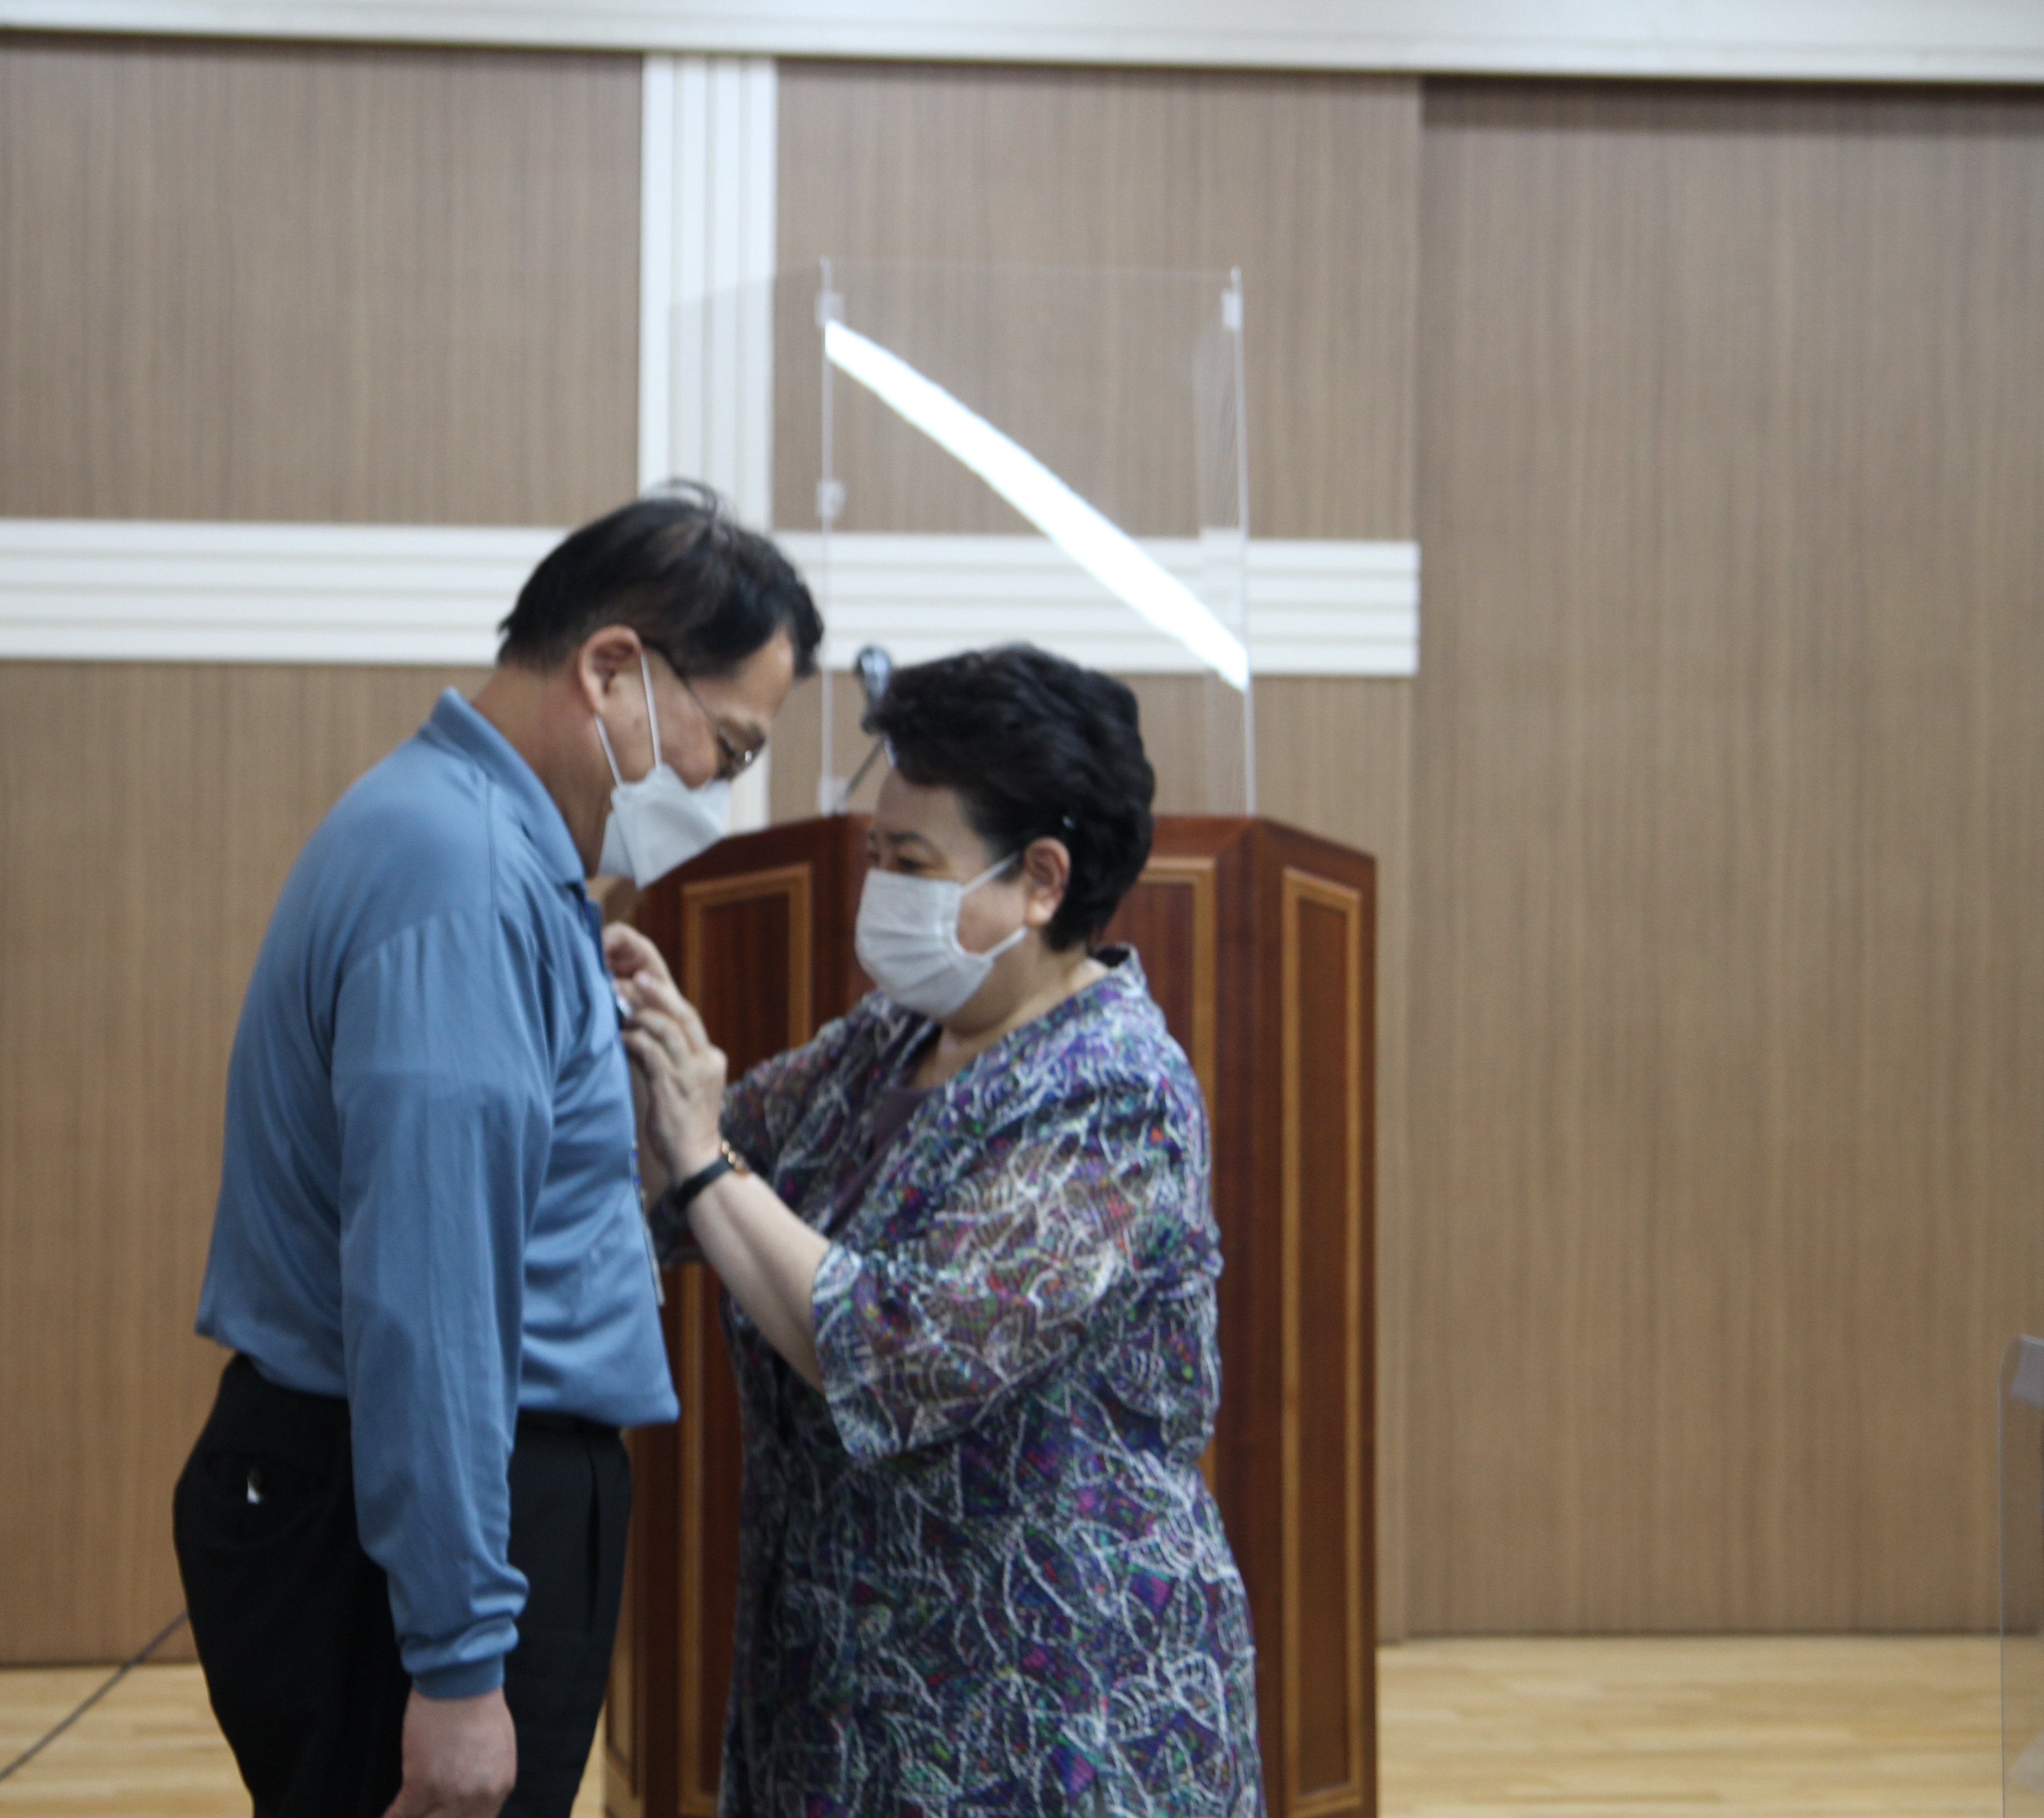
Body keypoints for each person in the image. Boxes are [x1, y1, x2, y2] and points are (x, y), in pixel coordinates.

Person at [175, 485, 823, 1818]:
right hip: (417, 1525)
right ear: (612, 670)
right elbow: (434, 1303)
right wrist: (460, 1664)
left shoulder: (491, 857)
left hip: (432, 1500)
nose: (719, 793)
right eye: (729, 749)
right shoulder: (464, 879)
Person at [609, 643, 1263, 1817]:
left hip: (1053, 1708)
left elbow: (900, 1350)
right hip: (844, 1688)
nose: (881, 890)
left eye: (912, 864)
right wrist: (655, 1059)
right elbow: (704, 1173)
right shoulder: (895, 1036)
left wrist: (704, 1159)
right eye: (877, 856)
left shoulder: (1113, 1093)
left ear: (1042, 879)